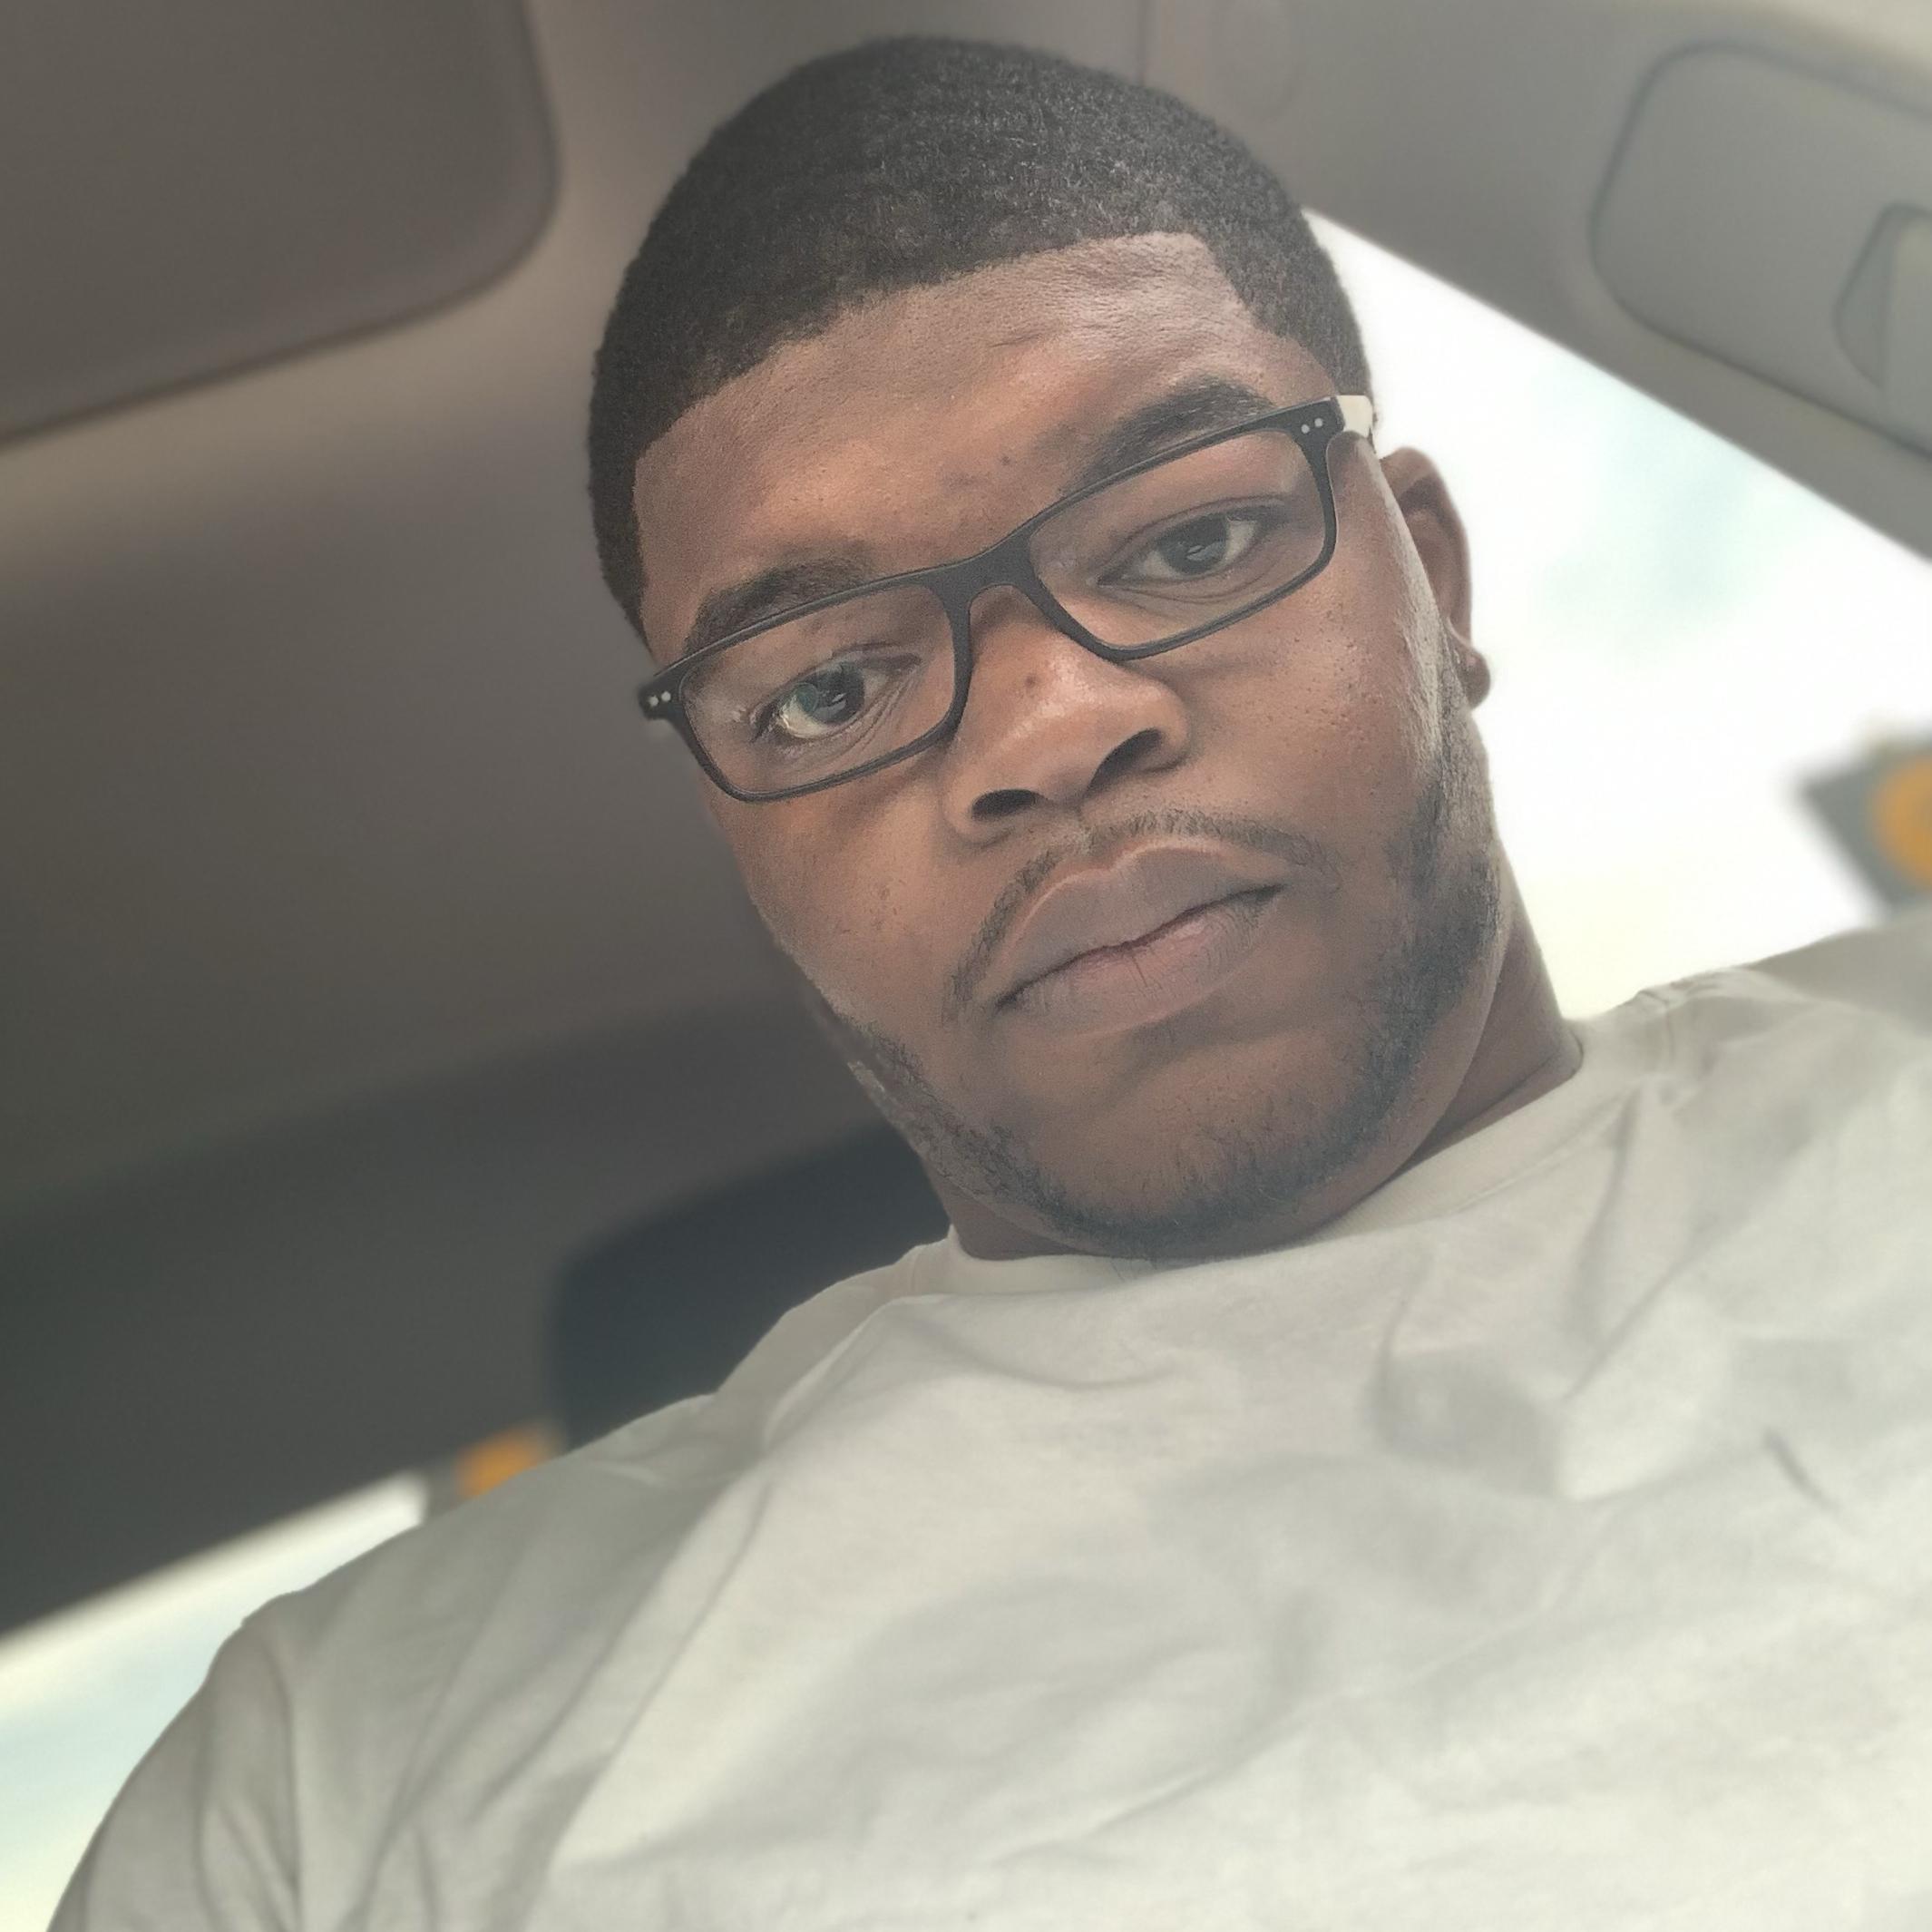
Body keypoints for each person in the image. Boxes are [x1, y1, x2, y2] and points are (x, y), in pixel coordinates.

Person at [54, 35, 1932, 1930]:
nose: (1045, 725)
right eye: (827, 690)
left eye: (1190, 538)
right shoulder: (343, 1774)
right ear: (741, 841)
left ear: (1432, 585)